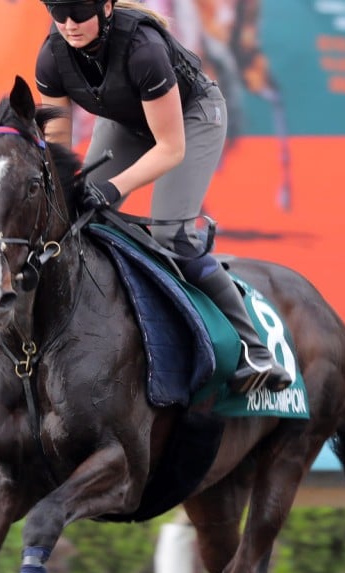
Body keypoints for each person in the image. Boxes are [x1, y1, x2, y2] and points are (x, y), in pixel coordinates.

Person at [35, 0, 292, 394]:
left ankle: (253, 348)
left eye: (79, 13)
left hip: (192, 120)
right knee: (73, 220)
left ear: (105, 7)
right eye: (59, 13)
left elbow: (170, 148)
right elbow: (57, 154)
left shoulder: (143, 49)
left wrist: (112, 187)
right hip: (126, 121)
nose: (69, 24)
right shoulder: (51, 56)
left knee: (171, 236)